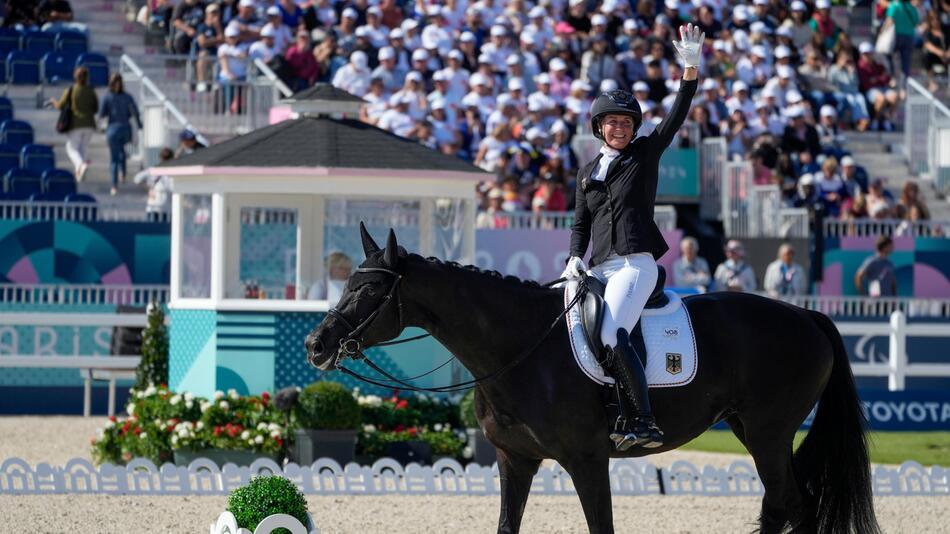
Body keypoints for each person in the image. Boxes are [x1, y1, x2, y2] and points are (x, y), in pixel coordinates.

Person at [561, 23, 703, 451]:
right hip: (599, 267)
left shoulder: (644, 153)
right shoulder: (587, 173)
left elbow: (676, 117)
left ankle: (644, 420)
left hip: (634, 265)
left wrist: (690, 69)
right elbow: (580, 225)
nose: (620, 128)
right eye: (612, 122)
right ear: (599, 128)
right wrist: (573, 257)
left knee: (609, 334)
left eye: (626, 122)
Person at [49, 66, 98, 182]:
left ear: (75, 76)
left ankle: (81, 164)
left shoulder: (71, 90)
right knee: (83, 148)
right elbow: (95, 108)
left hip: (75, 124)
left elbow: (60, 106)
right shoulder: (91, 90)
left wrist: (52, 102)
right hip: (89, 124)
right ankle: (79, 172)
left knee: (71, 148)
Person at [98, 73, 142, 196]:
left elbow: (101, 114)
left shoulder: (107, 97)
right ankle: (123, 172)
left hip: (112, 130)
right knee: (122, 150)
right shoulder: (128, 97)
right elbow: (135, 113)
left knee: (114, 159)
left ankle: (114, 185)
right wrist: (139, 125)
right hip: (126, 129)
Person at [134, 147, 174, 222]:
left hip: (156, 206)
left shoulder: (153, 170)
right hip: (164, 207)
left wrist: (148, 189)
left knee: (151, 229)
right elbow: (137, 179)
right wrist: (149, 189)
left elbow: (137, 179)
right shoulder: (171, 172)